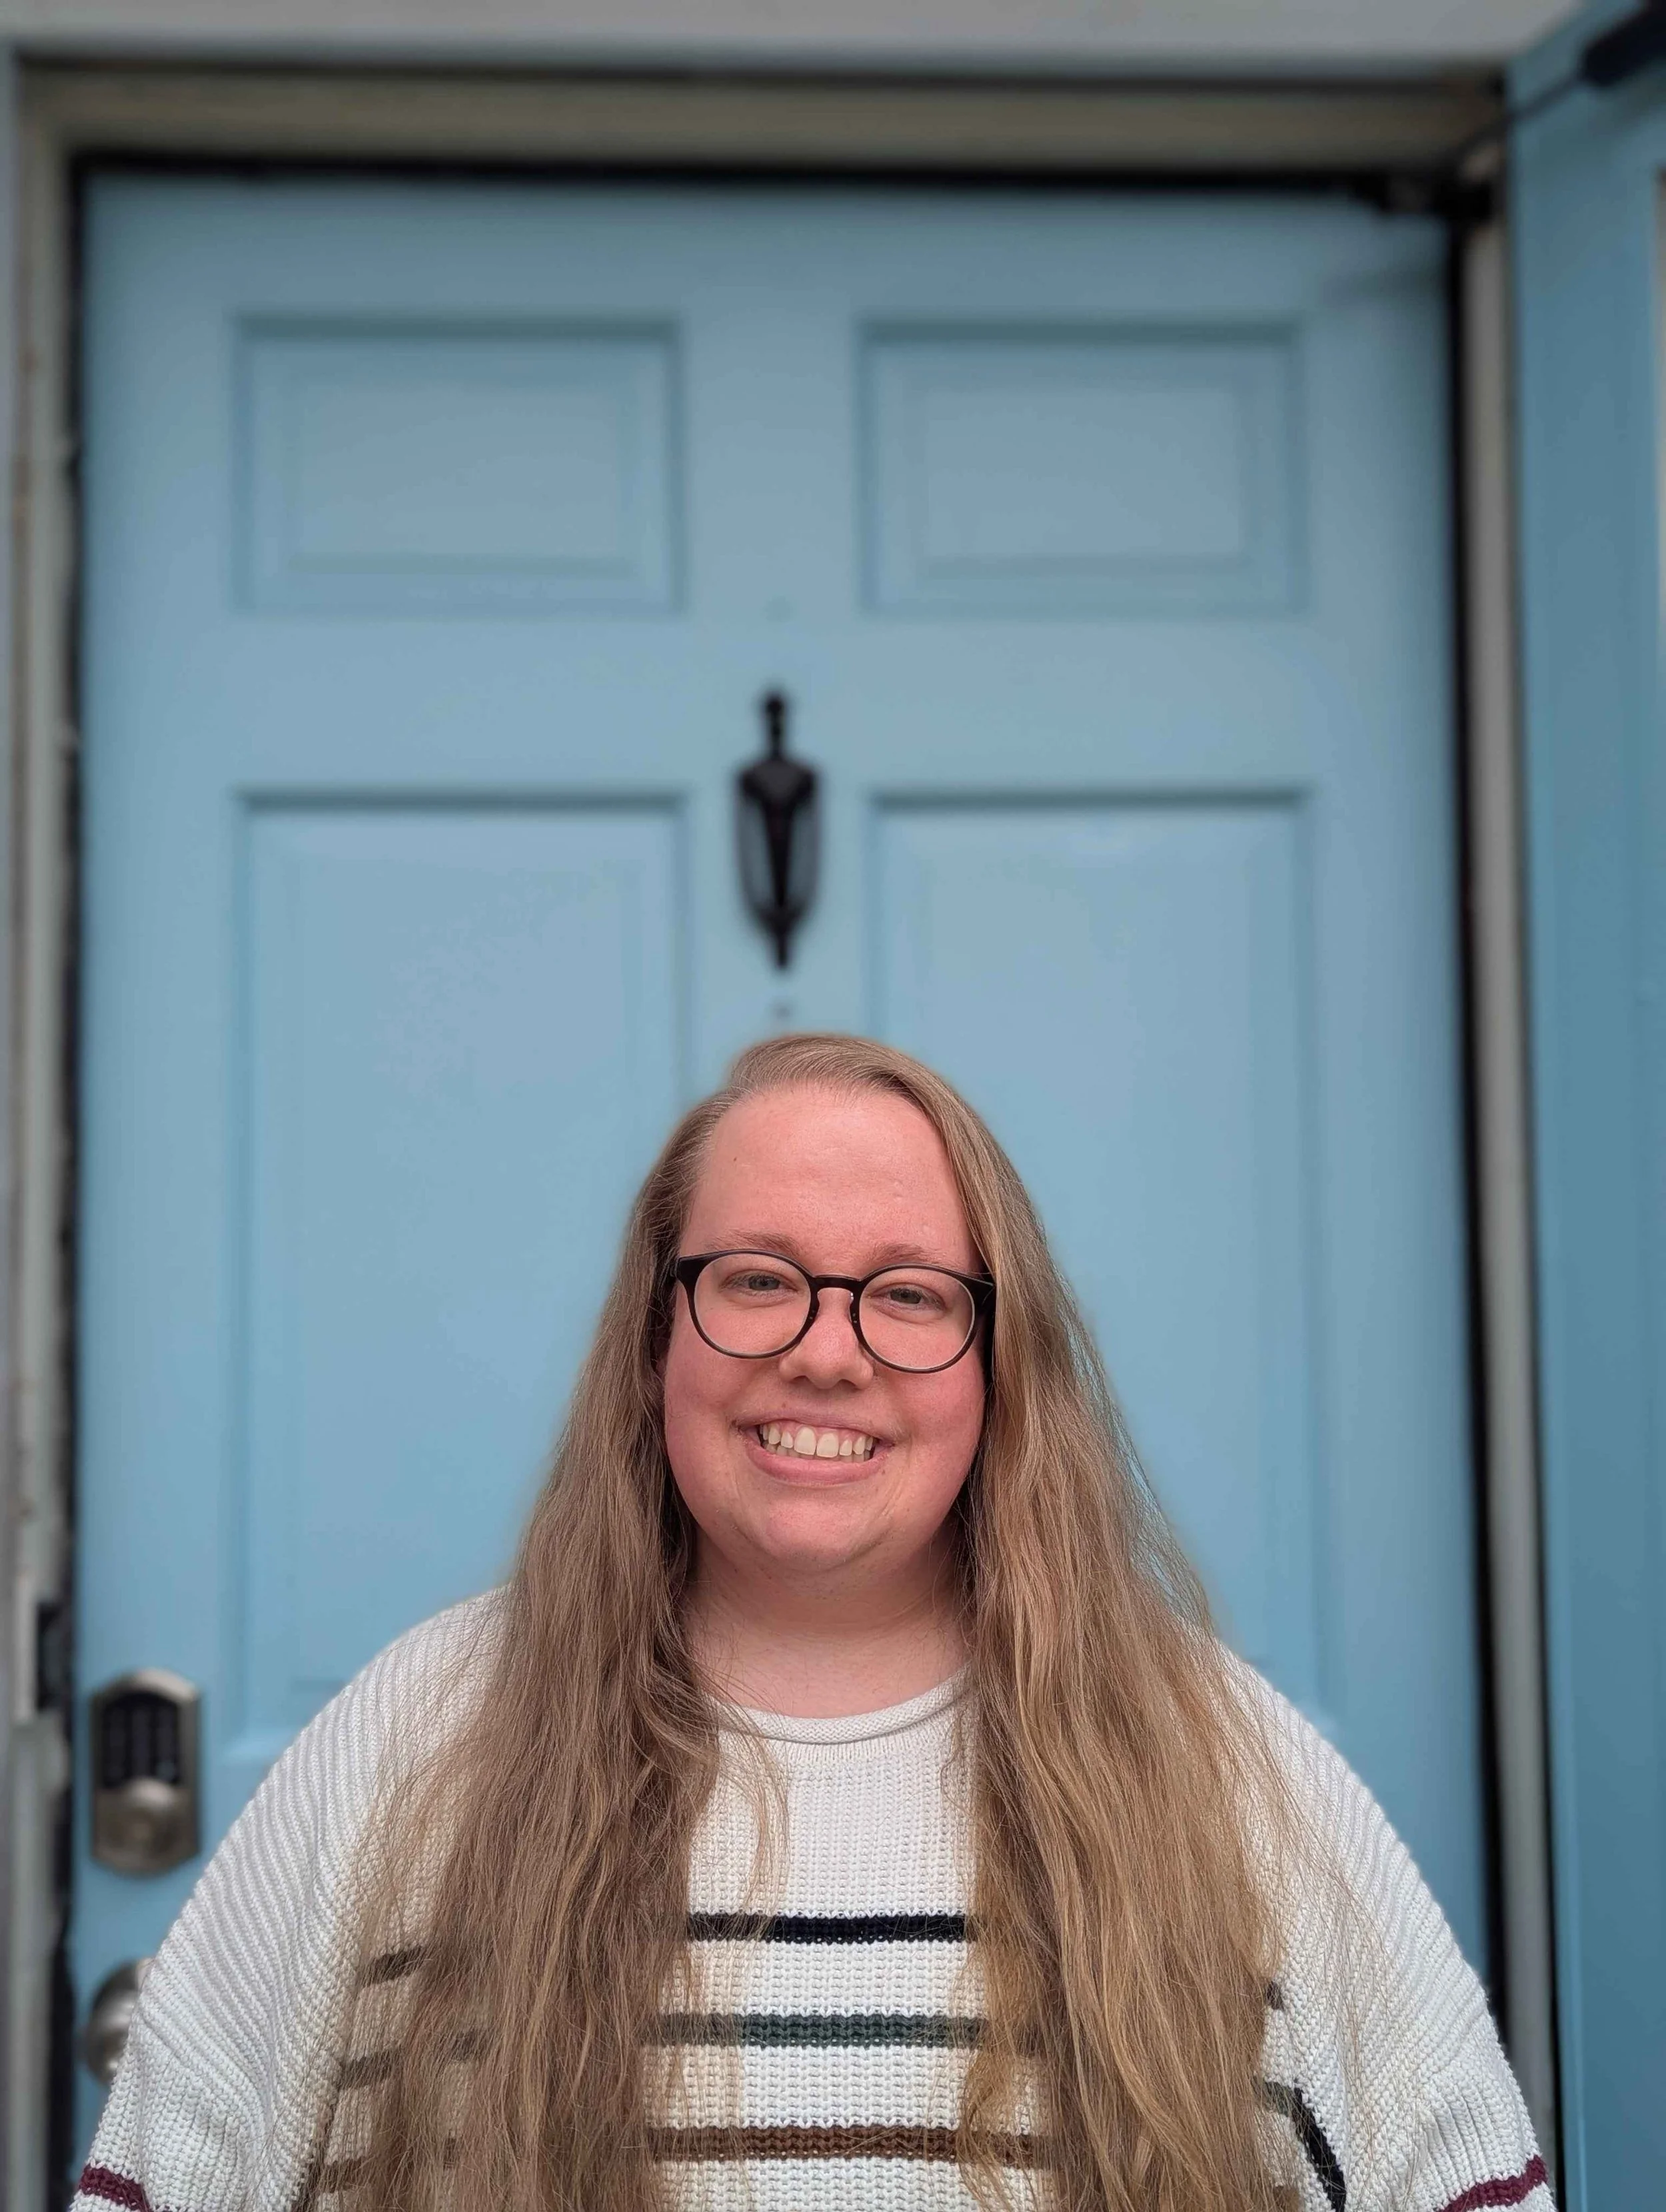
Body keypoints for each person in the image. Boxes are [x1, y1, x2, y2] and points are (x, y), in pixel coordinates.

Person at [75, 1033, 1551, 2212]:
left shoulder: (1223, 1766)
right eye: (758, 1280)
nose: (825, 1352)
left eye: (906, 1296)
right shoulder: (413, 1739)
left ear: (1000, 1359)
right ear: (657, 1332)